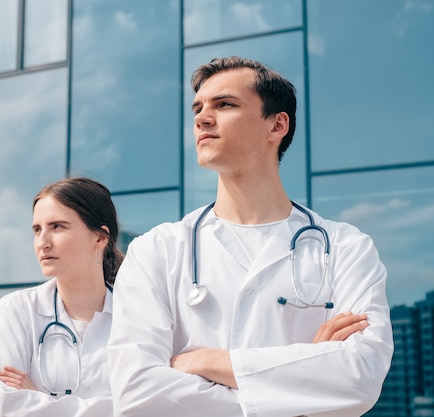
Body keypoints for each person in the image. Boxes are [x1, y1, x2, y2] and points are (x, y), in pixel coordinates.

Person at [107, 56, 393, 417]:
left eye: (224, 104)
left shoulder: (345, 248)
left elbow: (359, 377)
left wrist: (210, 362)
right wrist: (307, 372)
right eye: (198, 107)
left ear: (277, 125)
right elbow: (137, 394)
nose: (202, 118)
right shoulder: (157, 250)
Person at [0, 177, 124, 417]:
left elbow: (156, 404)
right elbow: (3, 407)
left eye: (57, 226)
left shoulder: (138, 315)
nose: (42, 243)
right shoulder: (14, 312)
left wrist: (39, 402)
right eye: (37, 230)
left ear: (100, 237)